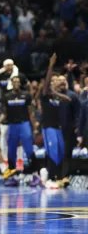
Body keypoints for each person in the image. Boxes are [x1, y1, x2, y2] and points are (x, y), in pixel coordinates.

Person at [0, 76, 41, 187]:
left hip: (24, 124)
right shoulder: (6, 96)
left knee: (29, 150)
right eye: (14, 82)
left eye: (18, 82)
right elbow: (4, 113)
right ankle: (13, 176)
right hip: (12, 125)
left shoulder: (26, 95)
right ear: (11, 83)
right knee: (11, 152)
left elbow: (31, 112)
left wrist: (35, 126)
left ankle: (35, 175)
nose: (16, 83)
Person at [40, 54, 71, 189]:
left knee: (60, 151)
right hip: (48, 127)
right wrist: (51, 66)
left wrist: (56, 93)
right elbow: (46, 84)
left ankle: (55, 176)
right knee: (52, 151)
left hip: (57, 127)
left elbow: (68, 99)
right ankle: (50, 178)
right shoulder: (45, 95)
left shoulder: (56, 97)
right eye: (52, 81)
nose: (54, 82)